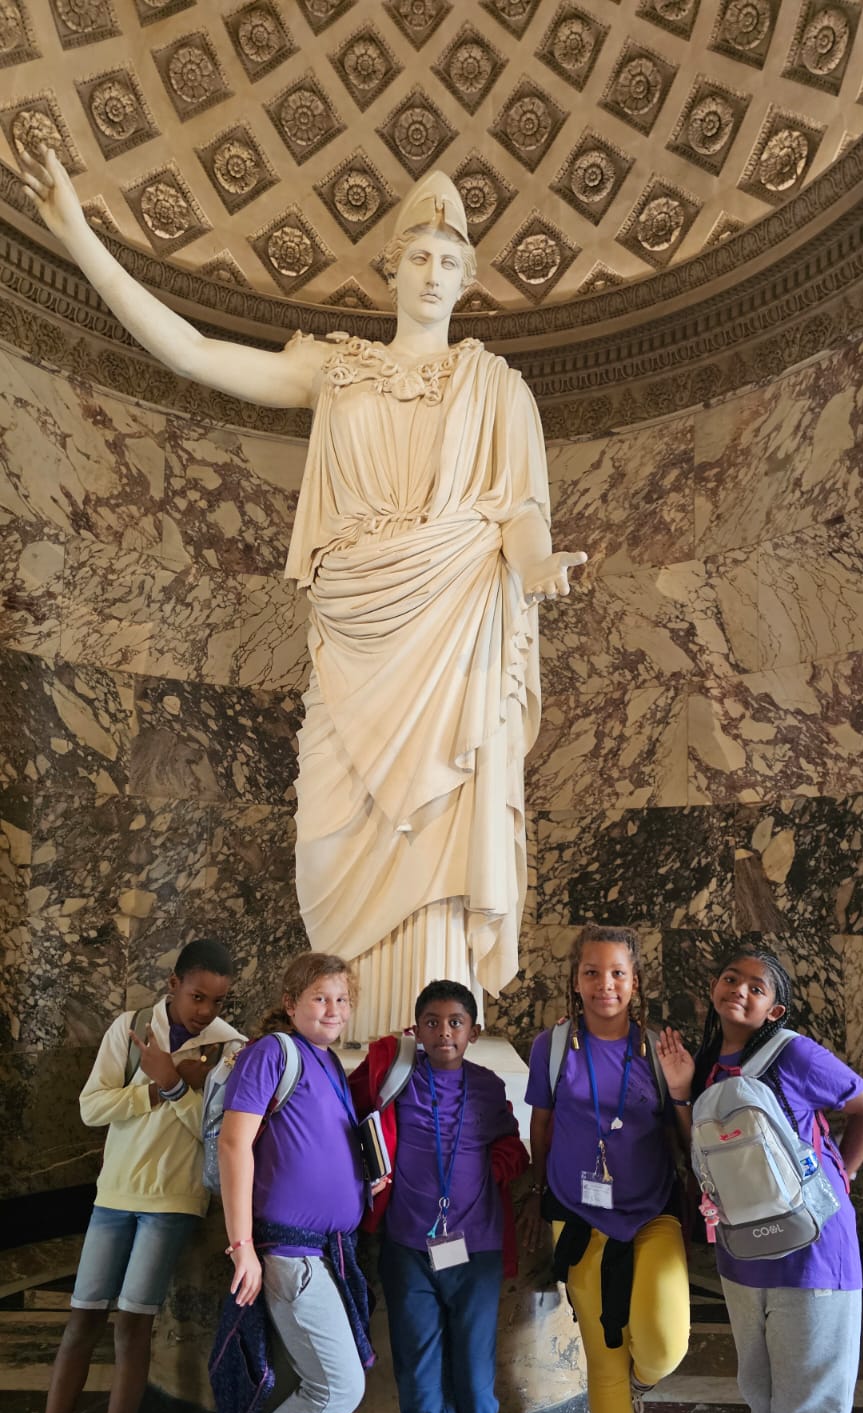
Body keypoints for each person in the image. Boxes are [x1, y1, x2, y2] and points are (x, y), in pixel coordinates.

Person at [16, 150, 586, 1041]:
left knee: (437, 835)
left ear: (467, 277)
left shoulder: (499, 389)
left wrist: (538, 563)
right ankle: (341, 1042)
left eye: (449, 260)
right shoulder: (337, 369)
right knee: (328, 839)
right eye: (418, 256)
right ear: (391, 267)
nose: (432, 274)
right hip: (355, 639)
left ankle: (424, 1054)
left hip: (451, 638)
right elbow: (194, 354)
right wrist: (80, 237)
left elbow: (520, 511)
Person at [1, 938, 243, 1413]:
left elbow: (217, 1137)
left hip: (173, 1203)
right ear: (172, 984)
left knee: (131, 1328)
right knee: (79, 1324)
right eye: (197, 996)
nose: (205, 1010)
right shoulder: (130, 1029)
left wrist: (178, 1087)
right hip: (112, 1197)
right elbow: (91, 1108)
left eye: (217, 1001)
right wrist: (153, 1089)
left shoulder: (230, 1049)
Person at [657, 945, 863, 1413]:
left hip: (815, 1255)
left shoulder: (796, 1054)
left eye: (756, 987)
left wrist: (840, 1179)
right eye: (731, 978)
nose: (740, 989)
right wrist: (681, 1091)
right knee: (763, 1399)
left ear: (775, 1009)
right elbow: (698, 1150)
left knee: (809, 1405)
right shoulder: (709, 1065)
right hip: (743, 1253)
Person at [181, 951, 372, 1413]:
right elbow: (236, 1143)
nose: (333, 1010)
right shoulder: (273, 1052)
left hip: (326, 1253)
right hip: (289, 1253)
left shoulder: (329, 1064)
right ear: (291, 1003)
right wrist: (242, 1246)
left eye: (342, 1000)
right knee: (337, 1388)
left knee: (315, 1387)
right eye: (320, 998)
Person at [521, 925, 692, 1413]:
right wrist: (539, 1195)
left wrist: (681, 1090)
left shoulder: (658, 1047)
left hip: (652, 1213)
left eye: (617, 973)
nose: (604, 985)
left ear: (635, 981)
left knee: (664, 1345)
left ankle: (642, 1375)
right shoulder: (553, 1046)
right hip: (582, 1219)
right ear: (576, 980)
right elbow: (542, 1124)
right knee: (604, 1364)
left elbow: (685, 1134)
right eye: (592, 972)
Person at [350, 980, 528, 1413]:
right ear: (416, 1028)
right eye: (432, 1021)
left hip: (474, 1256)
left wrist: (495, 1166)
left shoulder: (488, 1087)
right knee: (423, 1400)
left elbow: (513, 1145)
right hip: (407, 1254)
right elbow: (353, 1113)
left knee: (475, 1396)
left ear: (474, 1031)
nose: (444, 1032)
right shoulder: (398, 1077)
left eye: (456, 1022)